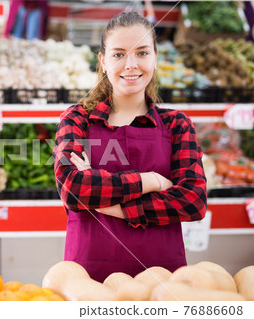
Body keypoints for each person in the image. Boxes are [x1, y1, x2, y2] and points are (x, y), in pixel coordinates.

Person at [53, 12, 207, 283]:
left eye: (142, 53)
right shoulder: (77, 119)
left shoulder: (177, 125)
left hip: (162, 283)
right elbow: (73, 189)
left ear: (155, 58)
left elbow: (193, 201)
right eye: (118, 54)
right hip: (89, 281)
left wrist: (110, 207)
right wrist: (152, 181)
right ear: (102, 61)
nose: (131, 64)